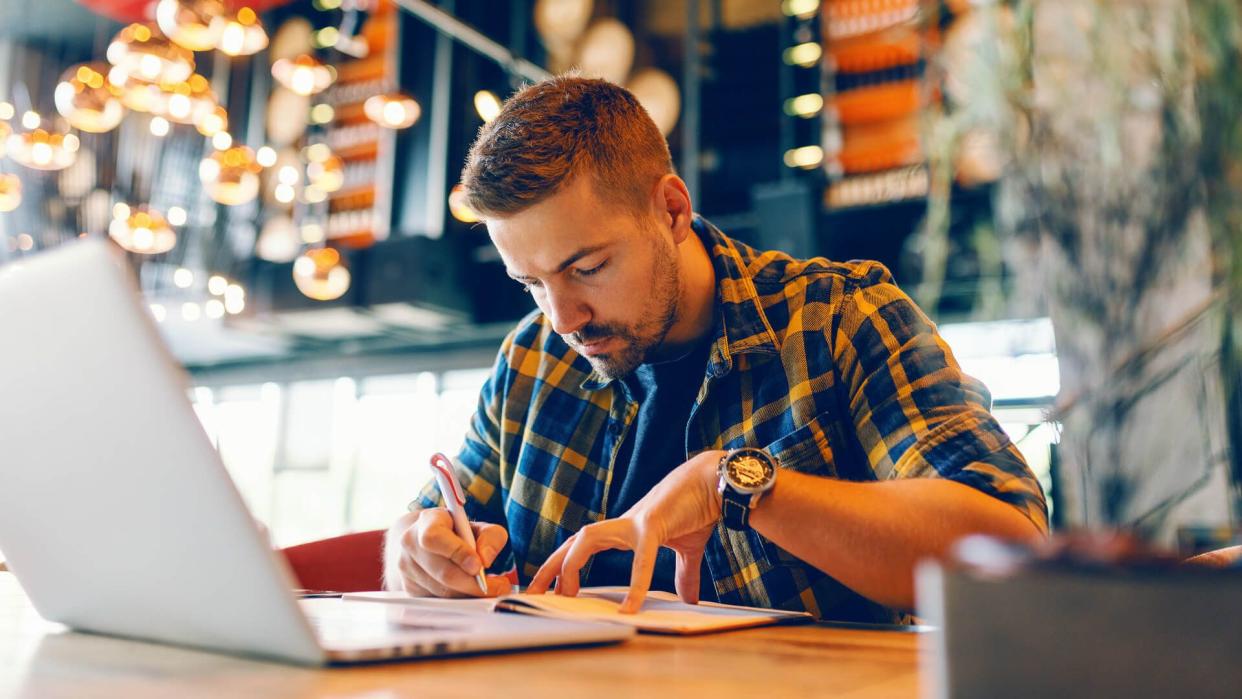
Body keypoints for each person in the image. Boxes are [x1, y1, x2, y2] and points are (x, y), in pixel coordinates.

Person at [383, 75, 1047, 622]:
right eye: (531, 283)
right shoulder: (532, 358)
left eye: (587, 267)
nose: (563, 317)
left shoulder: (839, 318)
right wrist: (417, 552)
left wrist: (732, 483)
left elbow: (1010, 554)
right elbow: (431, 525)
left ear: (671, 210)